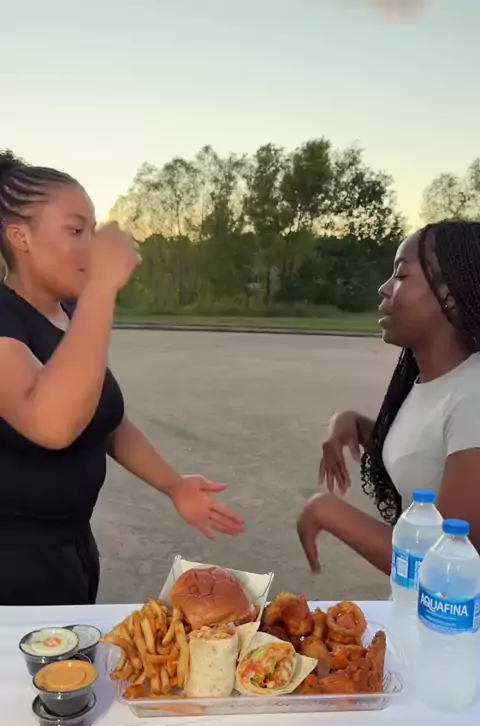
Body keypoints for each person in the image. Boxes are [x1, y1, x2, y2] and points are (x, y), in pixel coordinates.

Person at [0, 150, 244, 606]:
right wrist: (101, 288)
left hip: (72, 550)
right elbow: (51, 424)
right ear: (20, 237)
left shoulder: (71, 312)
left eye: (92, 231)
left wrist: (174, 484)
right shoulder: (7, 319)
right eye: (75, 231)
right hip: (12, 567)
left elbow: (103, 419)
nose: (91, 246)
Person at [298, 220, 480, 574]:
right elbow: (426, 455)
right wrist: (354, 424)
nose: (384, 289)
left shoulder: (473, 397)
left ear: (448, 295)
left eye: (400, 275)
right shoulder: (436, 383)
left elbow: (448, 568)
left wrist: (327, 511)